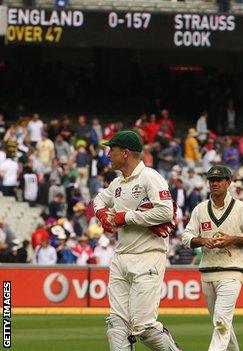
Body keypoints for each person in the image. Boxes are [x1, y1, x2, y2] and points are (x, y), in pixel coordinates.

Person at [93, 130, 180, 351]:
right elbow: (98, 200)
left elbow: (166, 212)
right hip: (121, 256)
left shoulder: (150, 177)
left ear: (126, 153)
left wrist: (127, 217)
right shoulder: (118, 182)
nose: (108, 153)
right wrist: (102, 214)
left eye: (111, 149)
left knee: (144, 328)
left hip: (148, 256)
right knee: (116, 325)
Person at [181, 165, 243, 351]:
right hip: (208, 272)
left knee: (220, 320)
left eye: (219, 180)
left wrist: (233, 239)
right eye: (212, 180)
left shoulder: (242, 209)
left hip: (232, 271)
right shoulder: (200, 209)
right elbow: (186, 237)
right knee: (221, 323)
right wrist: (202, 240)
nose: (215, 183)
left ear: (228, 182)